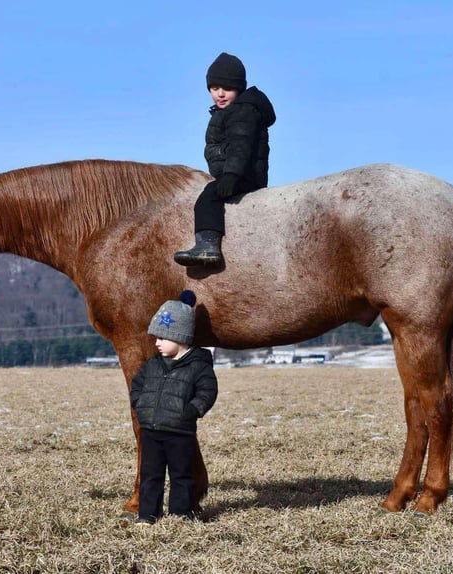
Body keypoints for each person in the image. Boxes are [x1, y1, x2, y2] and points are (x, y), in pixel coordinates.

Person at [174, 52, 276, 266]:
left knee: (208, 197)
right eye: (214, 89)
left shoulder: (242, 111)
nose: (220, 94)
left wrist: (231, 174)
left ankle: (208, 246)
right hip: (235, 173)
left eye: (227, 89)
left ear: (239, 88)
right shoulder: (231, 111)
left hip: (243, 175)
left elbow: (241, 145)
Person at [130, 290, 218, 524]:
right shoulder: (153, 365)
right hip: (151, 431)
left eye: (162, 337)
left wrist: (191, 412)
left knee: (182, 476)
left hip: (180, 433)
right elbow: (136, 386)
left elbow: (207, 392)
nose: (156, 343)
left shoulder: (198, 366)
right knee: (150, 475)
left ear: (180, 337)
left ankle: (181, 515)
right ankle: (147, 515)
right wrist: (141, 406)